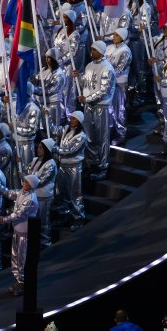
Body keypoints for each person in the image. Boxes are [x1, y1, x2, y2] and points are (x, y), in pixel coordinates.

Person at [77, 40, 116, 179]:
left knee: (102, 137)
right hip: (89, 107)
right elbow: (86, 83)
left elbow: (104, 91)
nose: (91, 52)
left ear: (100, 51)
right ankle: (92, 162)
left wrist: (87, 99)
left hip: (101, 106)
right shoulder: (89, 66)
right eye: (91, 49)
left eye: (94, 50)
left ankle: (103, 166)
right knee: (89, 136)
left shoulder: (107, 68)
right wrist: (79, 77)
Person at [0, 173, 40, 296]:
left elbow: (18, 214)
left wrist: (4, 219)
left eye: (27, 182)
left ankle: (23, 282)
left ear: (32, 185)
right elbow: (9, 193)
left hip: (25, 234)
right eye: (24, 181)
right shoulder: (22, 192)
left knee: (22, 259)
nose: (24, 184)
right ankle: (18, 280)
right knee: (15, 257)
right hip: (17, 232)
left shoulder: (31, 199)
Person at [56, 111, 88, 228]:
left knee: (75, 194)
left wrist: (56, 150)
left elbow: (70, 151)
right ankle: (64, 215)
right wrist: (47, 116)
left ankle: (78, 219)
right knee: (61, 192)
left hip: (74, 168)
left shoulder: (81, 136)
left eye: (74, 119)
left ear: (79, 122)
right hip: (63, 166)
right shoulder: (66, 130)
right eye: (71, 118)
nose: (71, 120)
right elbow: (54, 130)